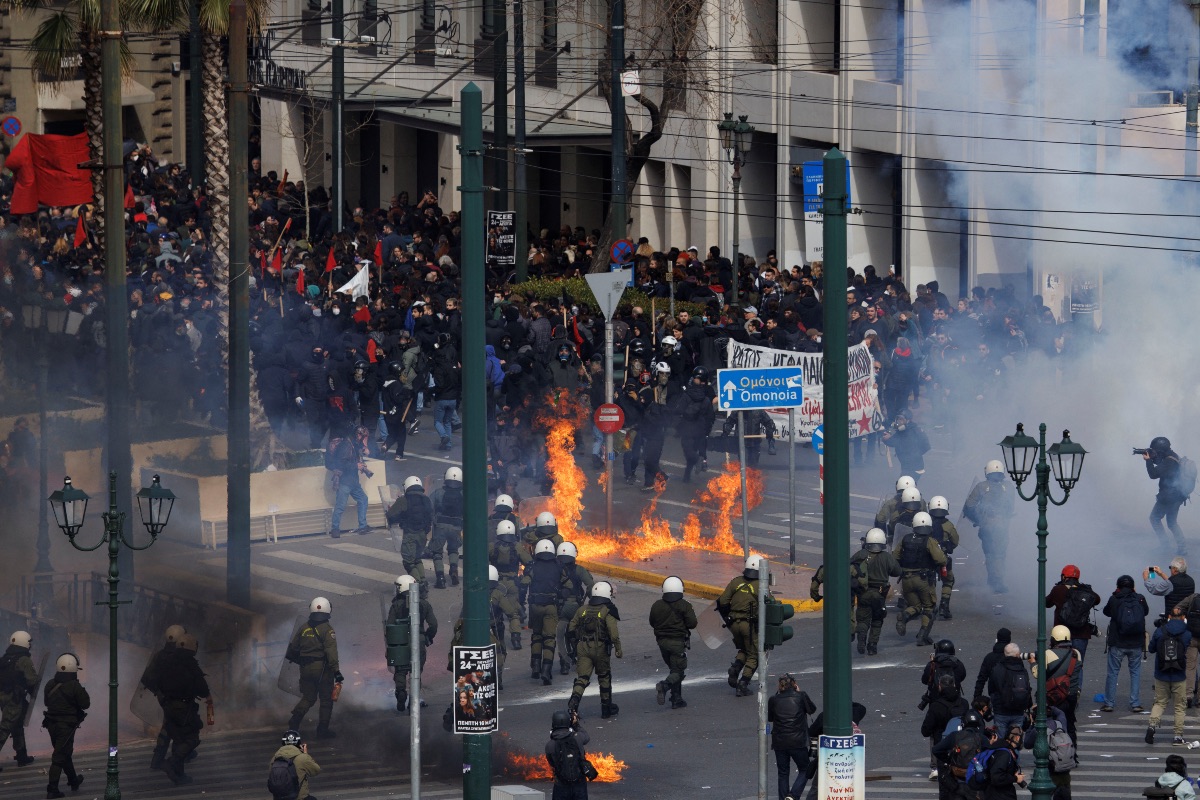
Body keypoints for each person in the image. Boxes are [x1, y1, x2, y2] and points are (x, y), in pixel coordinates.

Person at [285, 597, 343, 739]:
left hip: (305, 668)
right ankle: (322, 730)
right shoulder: (327, 629)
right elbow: (331, 652)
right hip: (322, 669)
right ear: (328, 610)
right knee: (326, 699)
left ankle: (295, 720)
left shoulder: (304, 628)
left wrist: (303, 660)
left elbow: (292, 650)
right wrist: (336, 671)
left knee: (308, 697)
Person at [157, 633, 210, 785]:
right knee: (192, 738)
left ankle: (179, 775)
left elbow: (157, 683)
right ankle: (172, 763)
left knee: (178, 739)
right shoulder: (190, 664)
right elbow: (202, 689)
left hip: (168, 706)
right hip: (184, 708)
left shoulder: (166, 662)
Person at [566, 582, 622, 719]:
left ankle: (574, 701)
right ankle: (606, 709)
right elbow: (613, 634)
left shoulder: (582, 609)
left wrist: (576, 645)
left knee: (582, 678)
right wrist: (618, 649)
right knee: (604, 677)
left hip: (583, 647)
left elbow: (571, 628)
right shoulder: (607, 611)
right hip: (600, 648)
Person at [893, 511, 947, 646]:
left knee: (915, 606)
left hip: (906, 579)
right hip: (923, 580)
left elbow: (895, 557)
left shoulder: (905, 539)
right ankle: (922, 636)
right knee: (929, 608)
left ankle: (905, 615)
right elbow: (941, 559)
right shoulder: (929, 541)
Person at [718, 555, 769, 696]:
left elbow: (722, 601)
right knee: (755, 654)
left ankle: (735, 668)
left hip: (733, 624)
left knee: (744, 649)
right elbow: (769, 604)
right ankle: (743, 683)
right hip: (749, 625)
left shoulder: (736, 582)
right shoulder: (760, 585)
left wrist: (729, 617)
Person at [962, 460, 1015, 593]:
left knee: (990, 554)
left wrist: (979, 519)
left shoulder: (981, 486)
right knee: (1000, 554)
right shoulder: (1008, 487)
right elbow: (1010, 507)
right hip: (1003, 527)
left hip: (987, 527)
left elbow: (969, 506)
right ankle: (998, 580)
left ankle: (994, 581)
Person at [386, 574, 437, 714]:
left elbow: (390, 626)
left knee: (400, 670)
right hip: (419, 641)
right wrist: (427, 636)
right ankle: (413, 701)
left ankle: (401, 691)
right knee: (416, 672)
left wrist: (392, 643)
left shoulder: (396, 605)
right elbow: (433, 624)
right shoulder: (424, 604)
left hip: (401, 641)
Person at [42, 654, 89, 800]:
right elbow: (85, 704)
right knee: (59, 756)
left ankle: (73, 780)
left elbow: (46, 702)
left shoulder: (50, 684)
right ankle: (52, 789)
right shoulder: (74, 686)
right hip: (66, 726)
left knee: (63, 752)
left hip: (51, 724)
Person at [1101, 575, 1148, 713]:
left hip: (1118, 641)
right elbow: (1145, 612)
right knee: (1135, 673)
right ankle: (1135, 703)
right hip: (1136, 642)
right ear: (1133, 586)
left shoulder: (1114, 598)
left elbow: (1106, 612)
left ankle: (1109, 703)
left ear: (1118, 586)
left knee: (1113, 673)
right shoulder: (1140, 598)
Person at [648, 575, 698, 709]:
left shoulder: (656, 605)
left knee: (674, 669)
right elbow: (692, 623)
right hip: (677, 643)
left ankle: (676, 699)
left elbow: (652, 622)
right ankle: (664, 686)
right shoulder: (684, 605)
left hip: (662, 643)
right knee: (679, 671)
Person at [142, 624, 187, 769]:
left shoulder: (159, 656)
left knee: (171, 724)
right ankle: (169, 758)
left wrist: (158, 691)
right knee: (174, 726)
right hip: (177, 698)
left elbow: (146, 678)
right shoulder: (180, 657)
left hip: (164, 698)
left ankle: (168, 756)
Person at [1147, 605, 1192, 746]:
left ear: (1169, 617)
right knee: (1179, 706)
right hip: (1179, 674)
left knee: (1159, 702)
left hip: (1161, 673)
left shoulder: (1160, 631)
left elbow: (1151, 649)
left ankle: (1152, 726)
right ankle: (1178, 736)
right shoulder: (1187, 633)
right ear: (1183, 617)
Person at [851, 528, 901, 655]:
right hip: (879, 594)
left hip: (863, 593)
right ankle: (872, 646)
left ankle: (861, 637)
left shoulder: (860, 554)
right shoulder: (886, 557)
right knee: (877, 620)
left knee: (863, 619)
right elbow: (897, 571)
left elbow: (850, 567)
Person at [768, 673, 817, 800]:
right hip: (798, 741)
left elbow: (770, 718)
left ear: (780, 686)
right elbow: (812, 709)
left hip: (779, 742)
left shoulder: (773, 699)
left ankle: (783, 797)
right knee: (805, 768)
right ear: (794, 685)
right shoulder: (801, 696)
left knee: (783, 773)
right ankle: (793, 795)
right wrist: (799, 692)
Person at [1044, 564, 1102, 661]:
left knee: (1061, 665)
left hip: (1061, 635)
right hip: (1081, 634)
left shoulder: (1058, 589)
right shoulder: (1085, 590)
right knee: (1077, 665)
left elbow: (1046, 603)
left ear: (1064, 577)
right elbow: (1097, 600)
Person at [527, 539, 564, 685]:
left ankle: (535, 667)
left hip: (535, 605)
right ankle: (546, 671)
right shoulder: (558, 566)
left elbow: (524, 583)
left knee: (537, 635)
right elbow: (567, 585)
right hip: (551, 606)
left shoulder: (532, 565)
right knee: (549, 638)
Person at [490, 520, 531, 650]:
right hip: (512, 584)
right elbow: (530, 562)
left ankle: (497, 640)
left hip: (496, 584)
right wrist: (525, 578)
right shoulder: (517, 546)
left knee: (496, 613)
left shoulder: (492, 546)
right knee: (513, 613)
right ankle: (516, 640)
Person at [1143, 436, 1188, 554]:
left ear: (1160, 450)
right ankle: (1182, 548)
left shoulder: (1169, 461)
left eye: (1155, 451)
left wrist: (1148, 460)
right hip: (1177, 495)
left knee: (1154, 518)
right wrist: (1152, 458)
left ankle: (1166, 546)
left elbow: (1153, 474)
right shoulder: (1172, 456)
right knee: (1172, 523)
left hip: (1169, 496)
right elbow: (1161, 466)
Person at [0, 630, 38, 768]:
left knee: (16, 725)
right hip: (14, 698)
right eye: (29, 642)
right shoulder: (23, 659)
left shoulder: (5, 658)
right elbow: (32, 680)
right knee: (6, 727)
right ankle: (22, 755)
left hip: (4, 697)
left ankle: (22, 755)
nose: (30, 645)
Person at [387, 476, 434, 586]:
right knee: (417, 558)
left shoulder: (403, 500)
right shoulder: (426, 499)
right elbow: (431, 515)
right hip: (422, 535)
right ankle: (423, 580)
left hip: (410, 534)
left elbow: (391, 515)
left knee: (408, 561)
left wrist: (400, 518)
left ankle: (418, 583)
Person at [556, 542, 594, 676]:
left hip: (560, 607)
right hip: (576, 607)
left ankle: (564, 664)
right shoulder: (579, 570)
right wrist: (589, 599)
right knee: (579, 632)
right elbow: (590, 585)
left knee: (561, 636)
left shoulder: (555, 570)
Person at [327, 426, 372, 537]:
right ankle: (335, 529)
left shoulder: (353, 444)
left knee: (363, 499)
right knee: (340, 506)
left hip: (353, 482)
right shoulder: (346, 446)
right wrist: (356, 466)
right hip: (345, 482)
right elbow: (340, 464)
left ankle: (362, 526)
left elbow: (355, 455)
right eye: (364, 437)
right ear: (359, 435)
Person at [932, 709, 988, 800]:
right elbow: (989, 754)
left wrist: (949, 760)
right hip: (974, 779)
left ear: (963, 723)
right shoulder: (982, 738)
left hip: (957, 777)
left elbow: (936, 750)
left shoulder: (955, 735)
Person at [1020, 705, 1073, 800]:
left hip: (1050, 769)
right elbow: (1060, 713)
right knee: (1064, 794)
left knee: (1047, 794)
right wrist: (1049, 706)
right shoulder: (1060, 723)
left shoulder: (1038, 729)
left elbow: (1027, 743)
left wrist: (1031, 724)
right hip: (1064, 766)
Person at [545, 709, 594, 800]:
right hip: (579, 785)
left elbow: (551, 762)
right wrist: (576, 724)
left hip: (561, 785)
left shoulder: (550, 745)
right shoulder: (577, 737)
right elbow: (586, 737)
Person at [428, 467, 464, 588]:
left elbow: (429, 507)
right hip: (456, 527)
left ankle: (440, 578)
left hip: (440, 526)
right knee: (453, 550)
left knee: (437, 552)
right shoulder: (464, 494)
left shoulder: (438, 492)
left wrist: (432, 520)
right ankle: (453, 569)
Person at [988, 642, 1033, 736]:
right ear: (1018, 654)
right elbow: (1027, 688)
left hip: (1001, 710)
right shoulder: (1022, 670)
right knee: (1015, 739)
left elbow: (991, 689)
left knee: (1000, 739)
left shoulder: (997, 668)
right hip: (1018, 709)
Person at [928, 496, 960, 620]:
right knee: (948, 580)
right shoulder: (948, 525)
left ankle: (930, 606)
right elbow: (955, 541)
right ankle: (944, 606)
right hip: (942, 559)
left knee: (929, 581)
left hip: (927, 559)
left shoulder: (925, 523)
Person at [269, 729, 322, 800]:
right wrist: (306, 754)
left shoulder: (274, 758)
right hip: (300, 798)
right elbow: (316, 771)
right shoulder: (302, 758)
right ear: (299, 743)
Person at [982, 725, 1026, 800]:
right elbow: (996, 777)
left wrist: (1012, 774)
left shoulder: (1002, 748)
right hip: (1000, 795)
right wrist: (1015, 778)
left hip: (995, 793)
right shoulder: (1004, 753)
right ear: (1017, 738)